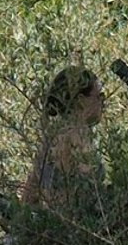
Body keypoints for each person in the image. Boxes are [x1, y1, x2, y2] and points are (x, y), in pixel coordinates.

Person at [22, 65, 106, 209]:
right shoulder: (75, 140)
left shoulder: (51, 138)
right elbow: (84, 193)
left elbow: (29, 195)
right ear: (80, 100)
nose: (103, 103)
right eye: (99, 96)